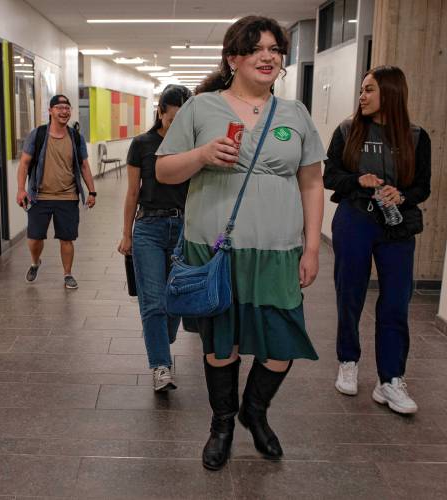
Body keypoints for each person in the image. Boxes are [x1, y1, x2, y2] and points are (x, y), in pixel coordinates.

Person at [156, 15, 325, 470]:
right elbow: (164, 170)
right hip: (214, 249)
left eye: (275, 48)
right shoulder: (201, 108)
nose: (268, 56)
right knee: (221, 342)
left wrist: (311, 248)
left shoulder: (295, 114)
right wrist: (202, 155)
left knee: (281, 344)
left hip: (277, 249)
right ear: (234, 58)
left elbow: (311, 183)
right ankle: (223, 423)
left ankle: (255, 409)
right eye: (256, 48)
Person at [323, 66, 431, 415]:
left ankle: (391, 380)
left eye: (369, 90)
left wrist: (402, 195)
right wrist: (359, 180)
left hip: (397, 227)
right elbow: (331, 176)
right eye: (361, 90)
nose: (362, 96)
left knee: (396, 301)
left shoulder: (416, 137)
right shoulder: (347, 130)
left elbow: (423, 186)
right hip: (355, 219)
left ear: (391, 93)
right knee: (350, 293)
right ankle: (348, 361)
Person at [117, 85, 192, 392]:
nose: (178, 127)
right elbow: (132, 191)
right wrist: (126, 235)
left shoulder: (193, 145)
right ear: (160, 112)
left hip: (183, 228)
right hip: (148, 228)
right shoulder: (142, 144)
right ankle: (161, 366)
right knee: (153, 302)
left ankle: (162, 340)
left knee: (174, 301)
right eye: (173, 119)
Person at [16, 94, 96, 289]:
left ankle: (68, 274)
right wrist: (20, 190)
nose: (64, 111)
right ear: (50, 111)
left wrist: (92, 192)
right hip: (39, 196)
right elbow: (24, 164)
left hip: (68, 197)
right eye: (59, 107)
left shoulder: (76, 137)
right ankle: (36, 262)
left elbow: (84, 166)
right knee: (34, 238)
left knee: (67, 238)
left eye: (67, 108)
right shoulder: (38, 134)